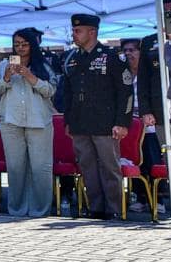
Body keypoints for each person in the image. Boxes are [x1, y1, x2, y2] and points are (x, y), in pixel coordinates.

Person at [56, 14, 131, 220]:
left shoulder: (112, 56)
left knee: (109, 167)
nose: (74, 34)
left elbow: (125, 91)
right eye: (73, 30)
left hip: (106, 122)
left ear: (92, 32)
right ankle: (96, 208)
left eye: (78, 31)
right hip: (80, 122)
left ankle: (114, 209)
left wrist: (122, 122)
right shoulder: (71, 58)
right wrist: (68, 121)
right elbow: (68, 93)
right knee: (88, 167)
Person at [0, 28, 56, 217]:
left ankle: (40, 209)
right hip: (11, 121)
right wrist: (7, 78)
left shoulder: (44, 65)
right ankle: (17, 208)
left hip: (39, 121)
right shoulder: (3, 65)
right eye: (17, 44)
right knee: (15, 167)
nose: (20, 48)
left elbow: (50, 91)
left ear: (32, 45)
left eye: (24, 44)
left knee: (40, 168)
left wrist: (30, 77)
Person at [122, 37, 163, 213]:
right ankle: (139, 196)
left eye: (132, 50)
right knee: (136, 161)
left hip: (150, 125)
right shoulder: (123, 73)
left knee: (153, 160)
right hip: (131, 127)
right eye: (126, 50)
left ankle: (158, 198)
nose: (128, 54)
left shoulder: (152, 72)